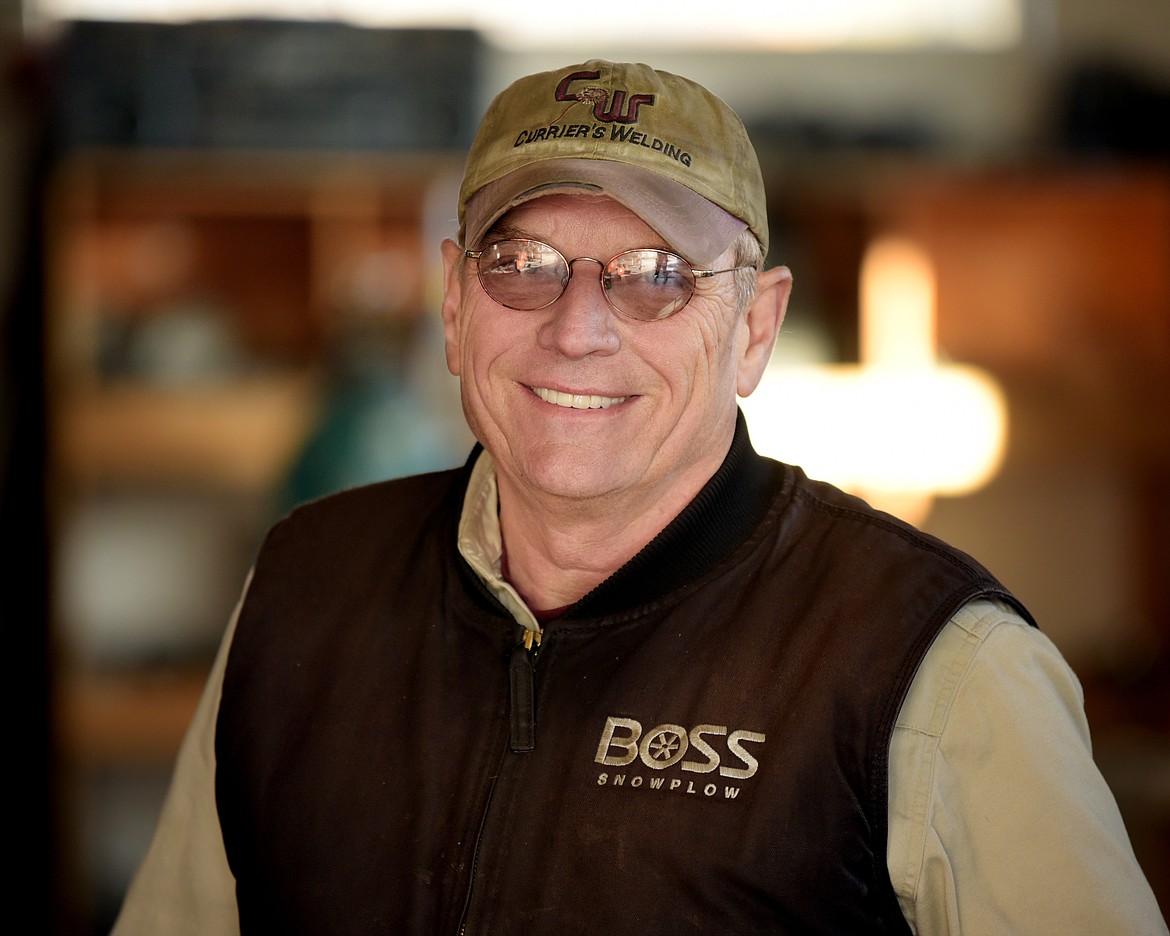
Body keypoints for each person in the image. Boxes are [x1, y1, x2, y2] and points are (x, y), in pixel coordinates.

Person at [112, 59, 1167, 935]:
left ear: (754, 326)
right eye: (524, 263)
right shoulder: (305, 585)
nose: (578, 329)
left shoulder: (936, 666)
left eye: (657, 273)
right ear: (451, 302)